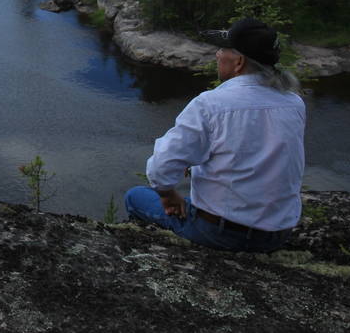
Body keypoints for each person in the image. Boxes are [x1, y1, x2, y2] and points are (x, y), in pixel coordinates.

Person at [125, 17, 305, 253]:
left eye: (221, 49)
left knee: (136, 196)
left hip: (221, 234)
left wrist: (169, 196)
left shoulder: (211, 104)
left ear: (238, 62)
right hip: (277, 235)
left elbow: (161, 168)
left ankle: (147, 248)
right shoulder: (294, 103)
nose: (217, 55)